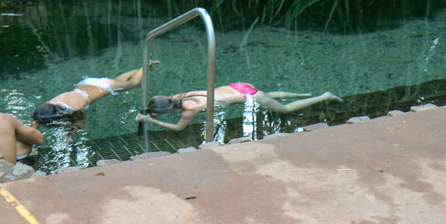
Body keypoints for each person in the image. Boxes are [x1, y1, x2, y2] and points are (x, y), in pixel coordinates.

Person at [135, 82, 342, 131]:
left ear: (168, 110)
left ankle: (323, 96)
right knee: (268, 95)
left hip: (247, 94)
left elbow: (179, 128)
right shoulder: (180, 96)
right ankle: (302, 92)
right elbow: (162, 100)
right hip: (236, 85)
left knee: (285, 110)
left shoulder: (189, 109)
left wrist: (150, 119)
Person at [32, 62, 159, 129]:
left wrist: (70, 133)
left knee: (133, 83)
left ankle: (145, 66)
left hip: (102, 87)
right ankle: (139, 69)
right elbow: (39, 118)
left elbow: (79, 125)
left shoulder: (75, 108)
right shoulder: (49, 105)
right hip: (87, 84)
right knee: (117, 82)